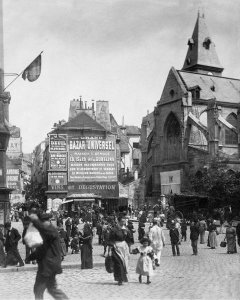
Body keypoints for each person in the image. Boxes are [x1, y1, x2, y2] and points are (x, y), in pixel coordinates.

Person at [28, 212, 68, 300]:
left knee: (38, 289)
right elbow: (43, 249)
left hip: (48, 266)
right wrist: (31, 257)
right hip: (49, 265)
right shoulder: (46, 233)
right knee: (52, 289)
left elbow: (43, 230)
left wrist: (35, 220)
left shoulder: (50, 230)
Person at [109, 216, 130, 285]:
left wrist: (129, 247)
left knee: (124, 263)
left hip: (124, 247)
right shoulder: (114, 230)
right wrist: (109, 249)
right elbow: (110, 240)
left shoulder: (126, 229)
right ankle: (119, 279)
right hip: (116, 248)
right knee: (118, 263)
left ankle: (123, 278)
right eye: (122, 221)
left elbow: (129, 239)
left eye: (124, 221)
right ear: (118, 221)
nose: (123, 223)